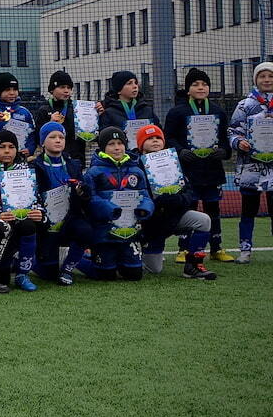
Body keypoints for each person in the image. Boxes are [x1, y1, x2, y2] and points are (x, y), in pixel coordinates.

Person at [163, 68, 232, 262]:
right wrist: (180, 151)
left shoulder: (218, 111)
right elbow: (168, 138)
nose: (200, 88)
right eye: (195, 84)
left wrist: (224, 152)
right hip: (188, 171)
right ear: (188, 89)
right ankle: (184, 249)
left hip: (212, 171)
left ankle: (216, 248)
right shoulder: (177, 112)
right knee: (188, 210)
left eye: (204, 84)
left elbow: (225, 140)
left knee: (213, 210)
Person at [133, 124, 217, 280]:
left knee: (203, 220)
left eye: (158, 137)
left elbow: (189, 191)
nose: (155, 141)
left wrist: (176, 199)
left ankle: (193, 266)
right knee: (154, 269)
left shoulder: (174, 162)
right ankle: (134, 254)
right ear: (140, 144)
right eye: (149, 138)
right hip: (150, 225)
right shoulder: (134, 166)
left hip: (174, 217)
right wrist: (158, 201)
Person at [81, 127, 155, 281]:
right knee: (105, 276)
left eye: (120, 143)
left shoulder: (136, 170)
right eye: (111, 144)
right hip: (105, 232)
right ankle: (80, 259)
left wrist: (144, 209)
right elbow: (91, 200)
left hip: (130, 232)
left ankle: (122, 263)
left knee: (134, 275)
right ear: (103, 147)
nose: (116, 147)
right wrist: (110, 209)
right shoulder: (94, 172)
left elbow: (146, 195)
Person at [0, 130, 43, 292]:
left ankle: (23, 274)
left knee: (29, 225)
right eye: (2, 147)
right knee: (2, 278)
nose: (7, 151)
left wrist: (39, 212)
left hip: (21, 221)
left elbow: (37, 200)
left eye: (12, 147)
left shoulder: (26, 174)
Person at [31, 121, 92, 285]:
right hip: (46, 222)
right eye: (52, 137)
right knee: (48, 274)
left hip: (70, 217)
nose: (58, 140)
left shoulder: (73, 164)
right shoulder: (34, 166)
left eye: (61, 137)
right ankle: (23, 259)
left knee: (85, 230)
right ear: (42, 142)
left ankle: (68, 268)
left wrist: (81, 192)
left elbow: (85, 194)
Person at [228, 61, 273, 263]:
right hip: (250, 166)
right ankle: (245, 249)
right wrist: (239, 142)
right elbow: (232, 131)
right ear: (256, 79)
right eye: (262, 76)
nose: (267, 80)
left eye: (270, 76)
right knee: (248, 209)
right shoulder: (244, 105)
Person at [0, 72, 36, 157]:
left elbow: (32, 136)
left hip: (20, 159)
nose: (12, 93)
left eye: (15, 89)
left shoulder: (25, 112)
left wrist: (30, 149)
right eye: (7, 90)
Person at [33, 70, 84, 162]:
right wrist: (50, 124)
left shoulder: (76, 108)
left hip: (75, 157)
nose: (66, 91)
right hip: (52, 158)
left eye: (69, 88)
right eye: (62, 87)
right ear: (52, 90)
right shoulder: (44, 109)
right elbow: (38, 137)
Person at [100, 70, 159, 137]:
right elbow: (104, 136)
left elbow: (158, 132)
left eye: (135, 83)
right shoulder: (109, 113)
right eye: (129, 83)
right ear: (119, 90)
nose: (135, 86)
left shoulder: (147, 110)